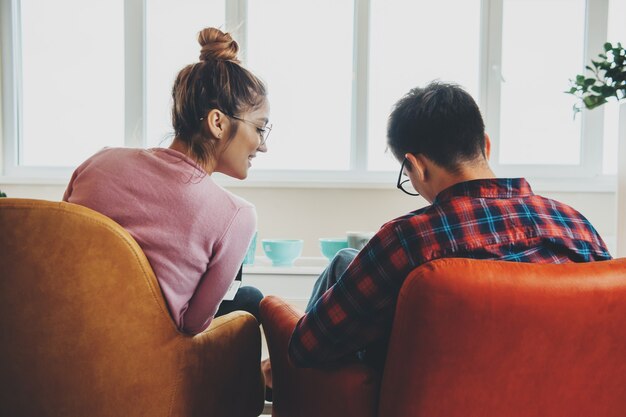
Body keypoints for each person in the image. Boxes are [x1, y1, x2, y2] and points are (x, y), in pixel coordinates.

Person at [285, 81, 612, 371]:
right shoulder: (575, 225)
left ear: (415, 166)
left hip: (440, 395)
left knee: (346, 261)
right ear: (485, 145)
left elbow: (308, 348)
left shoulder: (408, 239)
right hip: (562, 394)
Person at [63, 27, 270, 335]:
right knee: (251, 298)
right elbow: (192, 324)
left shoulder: (98, 162)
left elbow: (55, 249)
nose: (263, 146)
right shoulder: (237, 216)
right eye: (260, 129)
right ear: (218, 122)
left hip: (57, 337)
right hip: (143, 359)